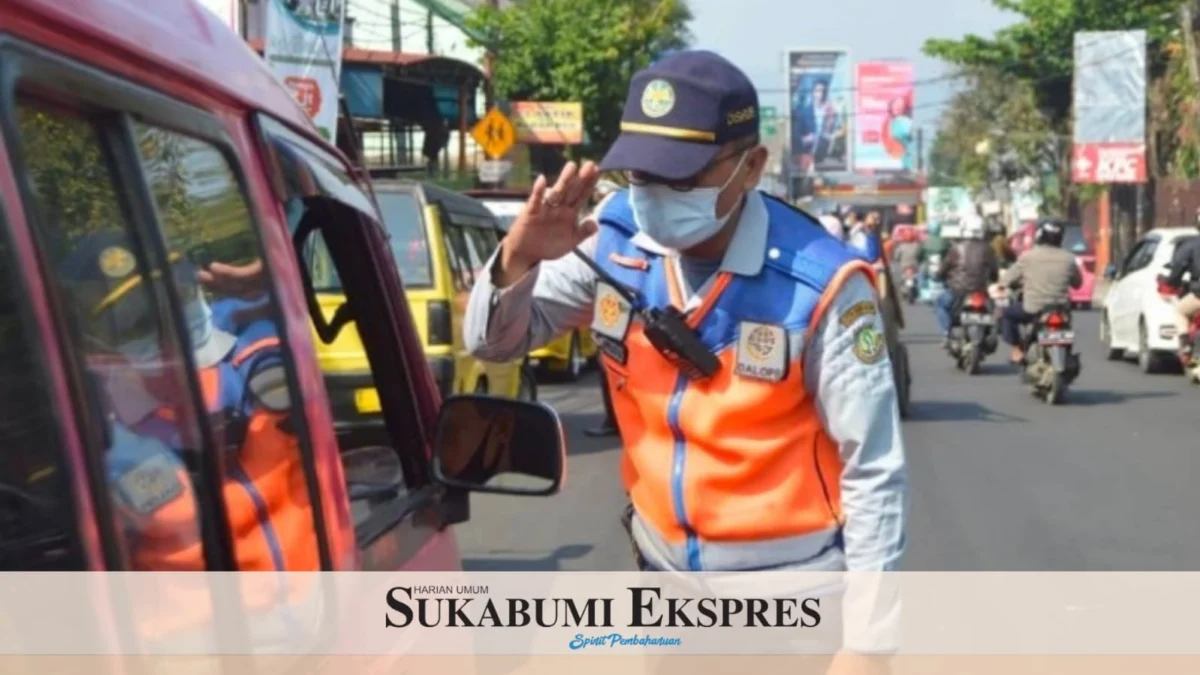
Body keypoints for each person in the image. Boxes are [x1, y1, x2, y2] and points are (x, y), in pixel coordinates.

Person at [464, 50, 907, 662]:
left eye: (680, 178)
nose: (653, 195)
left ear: (750, 166)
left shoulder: (821, 284)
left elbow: (874, 467)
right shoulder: (610, 240)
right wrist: (518, 261)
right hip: (662, 580)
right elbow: (494, 344)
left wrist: (867, 642)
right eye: (640, 175)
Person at [63, 230, 317, 571]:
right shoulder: (98, 433)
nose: (170, 326)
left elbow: (343, 253)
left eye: (176, 296)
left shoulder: (256, 342)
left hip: (319, 607)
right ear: (100, 345)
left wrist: (273, 272)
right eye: (136, 319)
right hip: (201, 622)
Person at [999, 220, 1082, 364]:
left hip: (1033, 308)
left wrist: (1005, 285)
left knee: (1006, 314)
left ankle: (1017, 350)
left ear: (1039, 236)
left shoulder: (1028, 257)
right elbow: (1077, 283)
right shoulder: (1069, 259)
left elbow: (1007, 279)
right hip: (1060, 308)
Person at [585, 178, 624, 438]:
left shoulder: (624, 227)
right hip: (610, 307)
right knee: (607, 365)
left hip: (622, 306)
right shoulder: (602, 229)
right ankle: (613, 419)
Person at [933, 214, 1000, 340]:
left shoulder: (956, 249)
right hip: (980, 290)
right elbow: (994, 270)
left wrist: (939, 276)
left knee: (939, 304)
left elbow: (944, 268)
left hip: (958, 291)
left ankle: (946, 333)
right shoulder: (988, 248)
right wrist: (993, 279)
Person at [1164, 221, 1200, 335]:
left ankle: (1186, 347)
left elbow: (1178, 266)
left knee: (1180, 311)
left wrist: (1171, 281)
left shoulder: (1191, 245)